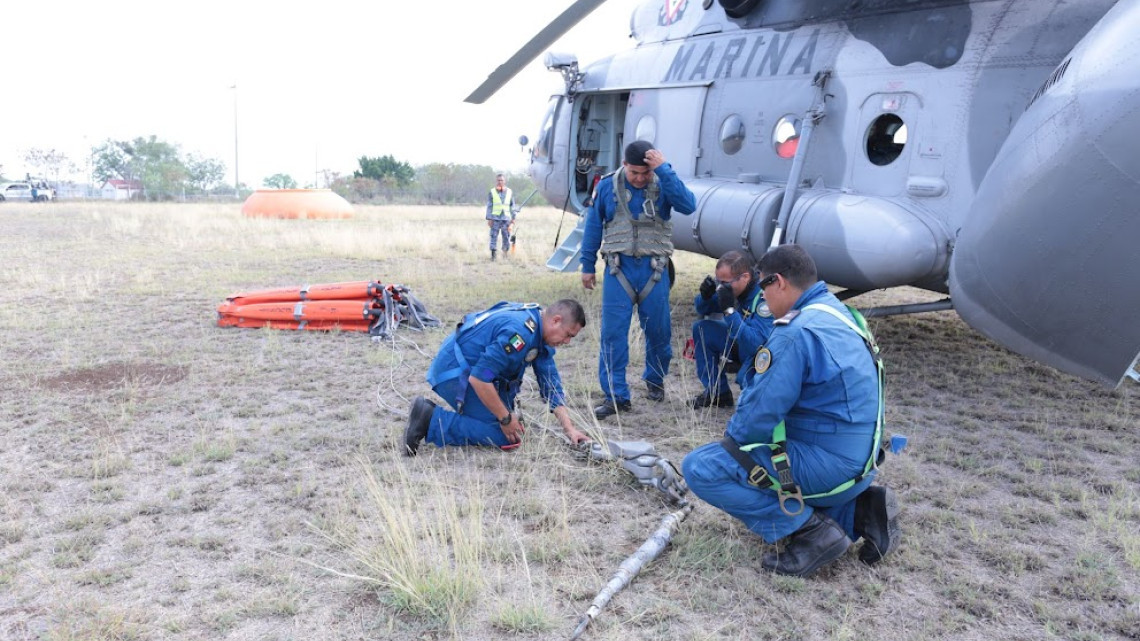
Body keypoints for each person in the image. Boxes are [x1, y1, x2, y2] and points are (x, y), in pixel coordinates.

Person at [681, 244, 899, 577]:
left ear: (778, 282)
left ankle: (811, 530)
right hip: (862, 457)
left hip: (830, 462)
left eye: (764, 286)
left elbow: (755, 419)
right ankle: (859, 510)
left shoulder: (794, 332)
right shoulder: (843, 314)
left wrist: (730, 445)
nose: (763, 297)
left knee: (701, 467)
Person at [580, 140, 696, 419]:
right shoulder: (607, 187)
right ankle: (616, 396)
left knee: (659, 333)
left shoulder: (664, 183)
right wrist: (587, 264)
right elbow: (593, 226)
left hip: (654, 271)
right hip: (618, 270)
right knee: (613, 335)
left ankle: (654, 380)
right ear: (624, 164)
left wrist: (664, 171)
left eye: (646, 173)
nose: (641, 178)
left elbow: (689, 205)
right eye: (635, 173)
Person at [404, 299, 591, 455]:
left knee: (509, 423)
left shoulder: (539, 325)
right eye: (568, 335)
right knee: (505, 436)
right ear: (556, 320)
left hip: (474, 370)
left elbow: (550, 383)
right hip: (455, 372)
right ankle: (430, 418)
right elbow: (480, 378)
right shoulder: (521, 334)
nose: (567, 342)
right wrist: (506, 419)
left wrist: (569, 429)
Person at [689, 250, 775, 409]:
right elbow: (702, 310)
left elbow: (755, 344)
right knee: (702, 329)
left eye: (725, 283)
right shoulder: (730, 288)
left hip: (761, 354)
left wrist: (729, 311)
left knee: (749, 396)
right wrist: (705, 296)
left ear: (745, 277)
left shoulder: (764, 297)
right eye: (718, 281)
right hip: (740, 343)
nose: (721, 287)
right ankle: (718, 393)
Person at [485, 173, 516, 261]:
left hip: (506, 219)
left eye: (502, 180)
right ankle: (493, 256)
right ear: (496, 181)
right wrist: (489, 218)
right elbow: (489, 206)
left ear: (504, 181)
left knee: (506, 237)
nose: (500, 182)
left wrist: (513, 218)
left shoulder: (509, 192)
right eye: (498, 180)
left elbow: (512, 206)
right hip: (495, 219)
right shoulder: (492, 192)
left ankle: (505, 254)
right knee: (493, 236)